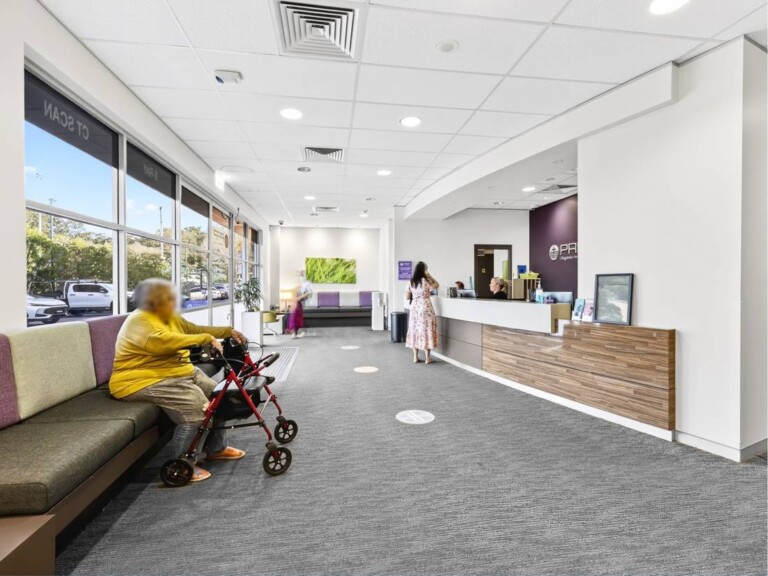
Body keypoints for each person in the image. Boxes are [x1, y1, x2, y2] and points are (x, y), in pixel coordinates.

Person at [109, 279, 247, 483]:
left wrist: (227, 331)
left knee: (221, 397)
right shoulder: (141, 320)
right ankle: (182, 464)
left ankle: (216, 449)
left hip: (179, 372)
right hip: (143, 379)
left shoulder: (168, 316)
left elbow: (192, 329)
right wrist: (205, 339)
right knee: (197, 412)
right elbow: (162, 342)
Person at [405, 261, 440, 364]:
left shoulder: (411, 281)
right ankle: (427, 358)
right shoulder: (427, 280)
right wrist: (430, 276)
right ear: (424, 270)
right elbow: (437, 285)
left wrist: (414, 294)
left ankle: (415, 357)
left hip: (415, 308)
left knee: (415, 330)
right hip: (426, 307)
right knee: (427, 330)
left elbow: (407, 297)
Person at [288, 269, 312, 339]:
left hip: (298, 305)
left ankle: (296, 334)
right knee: (295, 319)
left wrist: (306, 295)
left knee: (298, 319)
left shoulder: (300, 288)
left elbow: (300, 298)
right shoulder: (295, 288)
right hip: (295, 305)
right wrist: (306, 294)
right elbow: (296, 299)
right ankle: (294, 334)